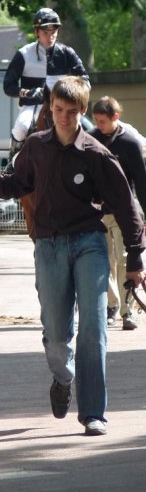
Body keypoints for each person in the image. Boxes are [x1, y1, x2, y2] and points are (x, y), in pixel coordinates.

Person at [0, 76, 146, 436]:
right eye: (58, 110)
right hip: (49, 247)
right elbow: (14, 184)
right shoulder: (36, 147)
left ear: (83, 111)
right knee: (57, 334)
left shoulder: (96, 154)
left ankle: (93, 413)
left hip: (89, 243)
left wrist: (136, 260)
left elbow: (126, 206)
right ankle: (63, 377)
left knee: (93, 329)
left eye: (71, 112)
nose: (63, 117)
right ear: (50, 108)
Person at [89, 96, 146, 330]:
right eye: (96, 121)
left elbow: (142, 183)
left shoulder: (130, 143)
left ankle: (128, 310)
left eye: (103, 121)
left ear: (116, 117)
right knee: (105, 261)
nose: (99, 126)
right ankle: (111, 306)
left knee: (126, 261)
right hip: (99, 212)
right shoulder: (91, 139)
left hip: (124, 211)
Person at [3, 7, 91, 160]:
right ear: (37, 32)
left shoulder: (67, 52)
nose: (50, 37)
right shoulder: (24, 54)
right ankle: (12, 164)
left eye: (53, 33)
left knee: (91, 129)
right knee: (21, 127)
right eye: (45, 33)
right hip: (33, 104)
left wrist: (75, 91)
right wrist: (26, 92)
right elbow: (8, 86)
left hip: (63, 104)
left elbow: (85, 80)